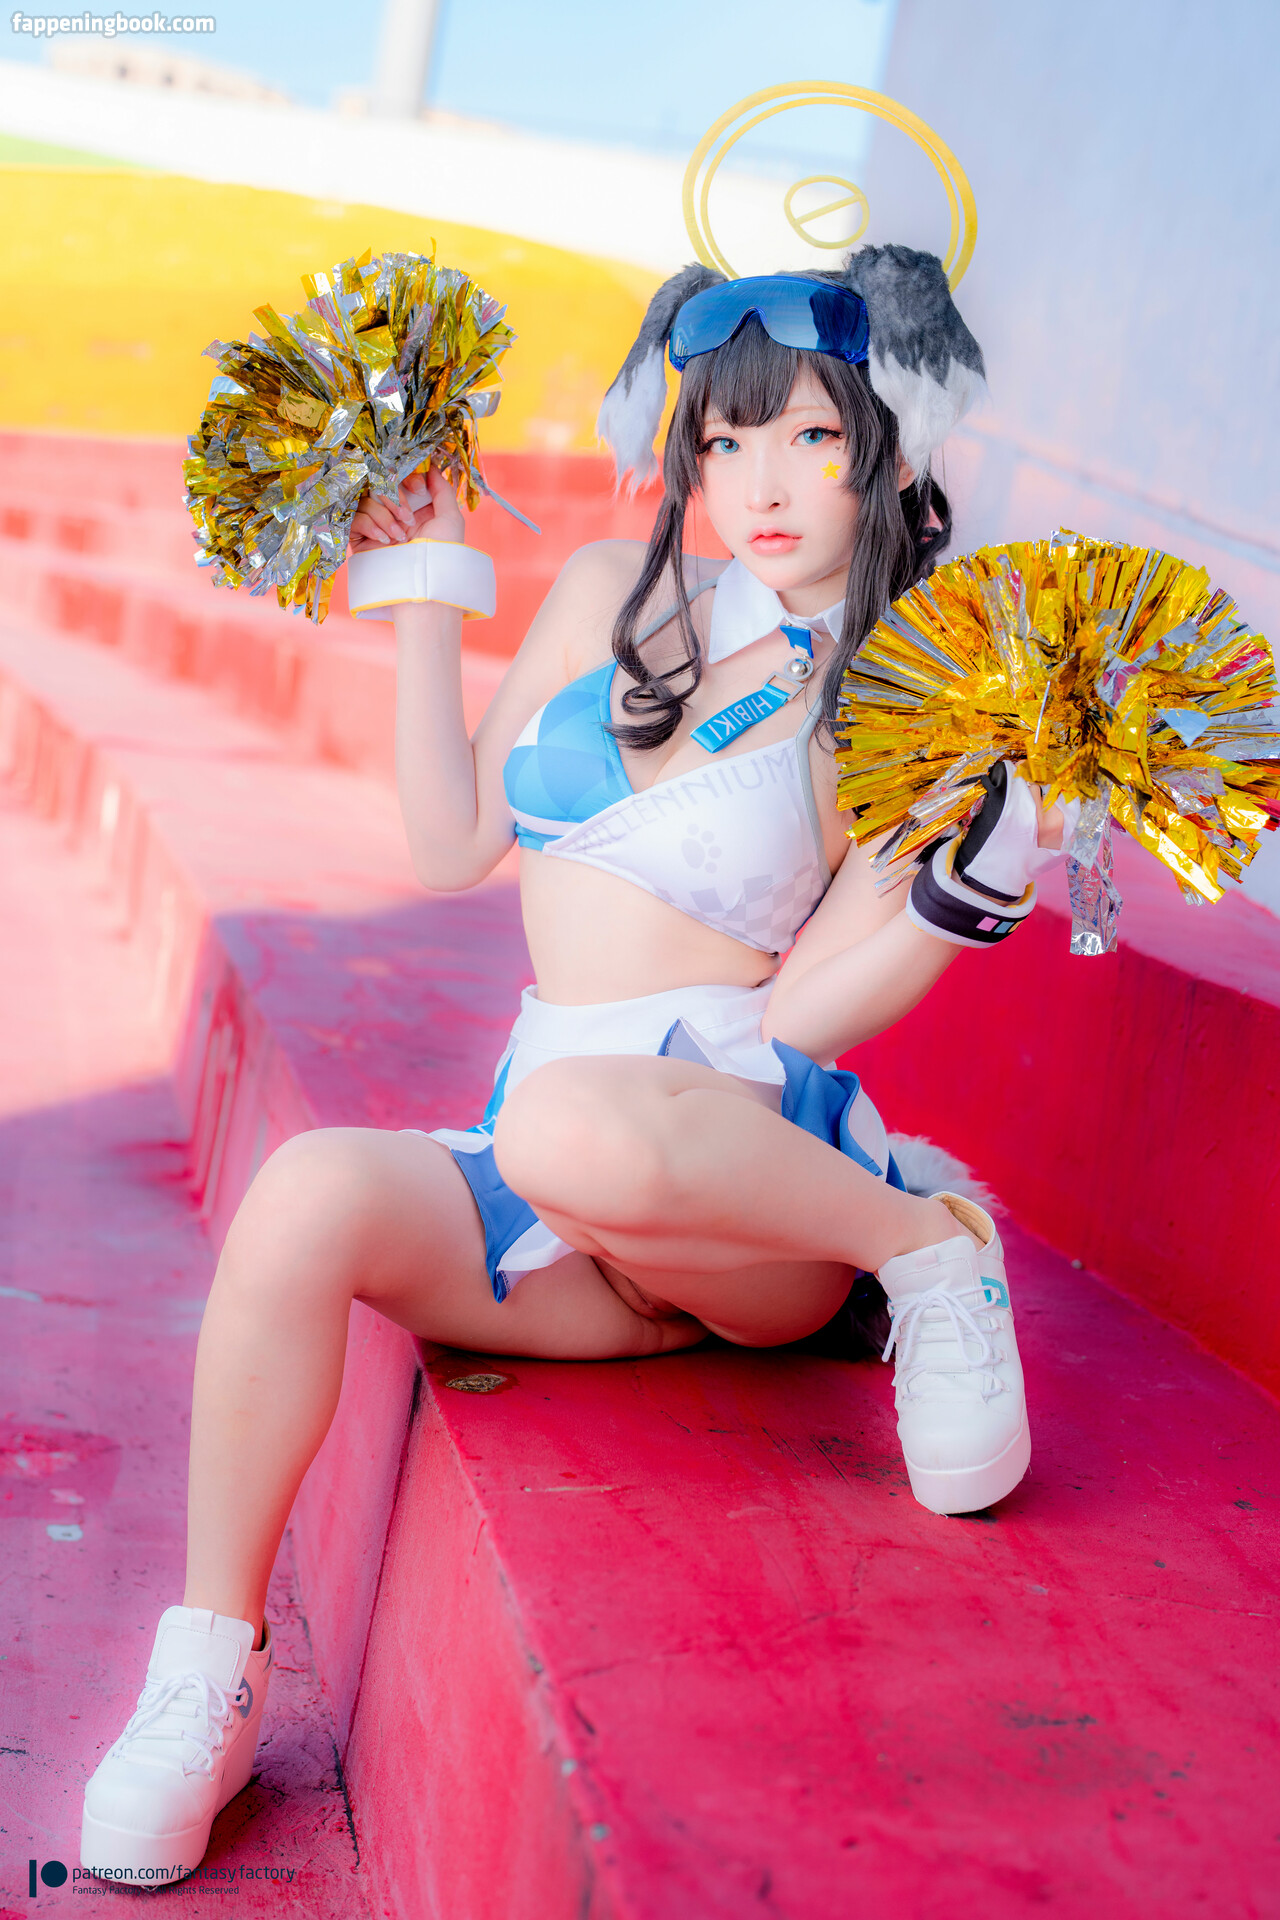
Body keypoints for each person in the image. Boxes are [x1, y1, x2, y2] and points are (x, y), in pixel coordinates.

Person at [80, 249, 1072, 1884]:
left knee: (573, 1128)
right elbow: (448, 839)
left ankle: (925, 1249)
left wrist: (975, 881)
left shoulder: (898, 691)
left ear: (888, 449)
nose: (759, 485)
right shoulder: (614, 588)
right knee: (309, 1193)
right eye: (727, 440)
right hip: (550, 1183)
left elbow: (810, 1018)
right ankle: (210, 1672)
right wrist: (424, 581)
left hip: (735, 1173)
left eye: (810, 439)